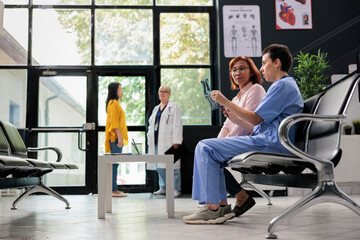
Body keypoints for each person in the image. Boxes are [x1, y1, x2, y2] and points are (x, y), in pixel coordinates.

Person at [183, 44, 303, 224]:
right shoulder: (283, 86)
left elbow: (255, 120)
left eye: (264, 63)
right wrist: (232, 114)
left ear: (276, 63)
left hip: (269, 142)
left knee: (204, 146)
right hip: (266, 139)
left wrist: (224, 101)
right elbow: (258, 122)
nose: (262, 68)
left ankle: (212, 208)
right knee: (207, 149)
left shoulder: (281, 86)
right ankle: (219, 206)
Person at [217, 56, 266, 218]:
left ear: (252, 72)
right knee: (207, 153)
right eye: (234, 70)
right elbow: (227, 126)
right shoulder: (236, 98)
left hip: (250, 141)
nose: (237, 73)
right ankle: (223, 202)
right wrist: (216, 143)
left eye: (242, 68)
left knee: (209, 158)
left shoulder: (256, 90)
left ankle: (235, 198)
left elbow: (247, 126)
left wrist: (221, 144)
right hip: (236, 140)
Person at [147, 86, 183, 197]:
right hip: (157, 140)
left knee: (173, 166)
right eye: (160, 92)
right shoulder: (156, 108)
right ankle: (163, 187)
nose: (162, 94)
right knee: (159, 165)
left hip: (170, 141)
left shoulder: (174, 107)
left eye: (164, 92)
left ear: (169, 93)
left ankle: (176, 188)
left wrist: (177, 140)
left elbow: (177, 124)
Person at [105, 82, 128, 197]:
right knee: (114, 164)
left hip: (116, 138)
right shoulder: (113, 103)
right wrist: (119, 137)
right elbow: (114, 123)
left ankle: (113, 189)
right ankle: (113, 190)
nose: (122, 91)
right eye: (120, 89)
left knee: (115, 163)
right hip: (115, 138)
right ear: (115, 91)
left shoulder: (115, 103)